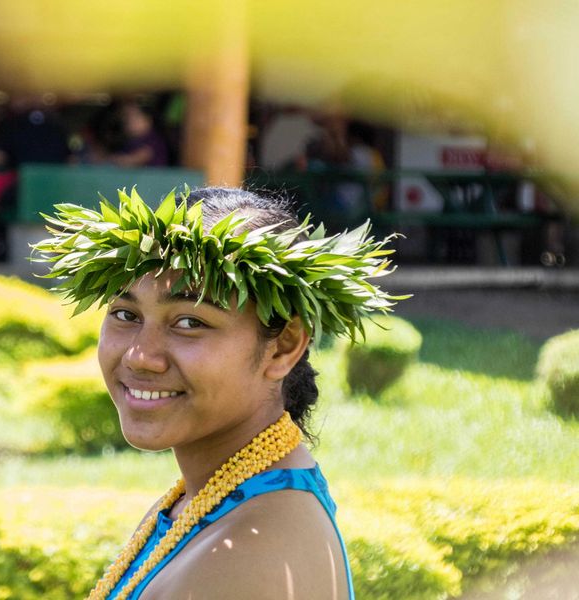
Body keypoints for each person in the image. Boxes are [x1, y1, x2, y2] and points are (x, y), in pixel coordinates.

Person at [32, 186, 402, 599]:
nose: (140, 356)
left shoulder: (247, 554)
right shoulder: (206, 502)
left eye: (190, 322)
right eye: (125, 314)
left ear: (282, 346)